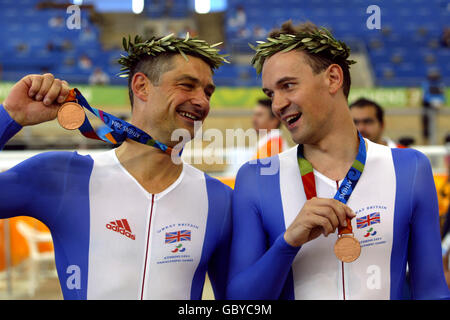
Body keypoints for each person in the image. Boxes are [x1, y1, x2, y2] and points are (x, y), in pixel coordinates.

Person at [227, 21, 450, 299]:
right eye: (271, 94)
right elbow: (238, 301)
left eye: (288, 86)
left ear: (333, 78)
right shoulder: (257, 177)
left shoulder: (410, 168)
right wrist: (287, 242)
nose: (277, 105)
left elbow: (431, 291)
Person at [0, 34, 232, 300]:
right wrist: (9, 116)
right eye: (187, 85)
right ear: (142, 86)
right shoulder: (62, 176)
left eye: (208, 92)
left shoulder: (219, 199)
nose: (202, 102)